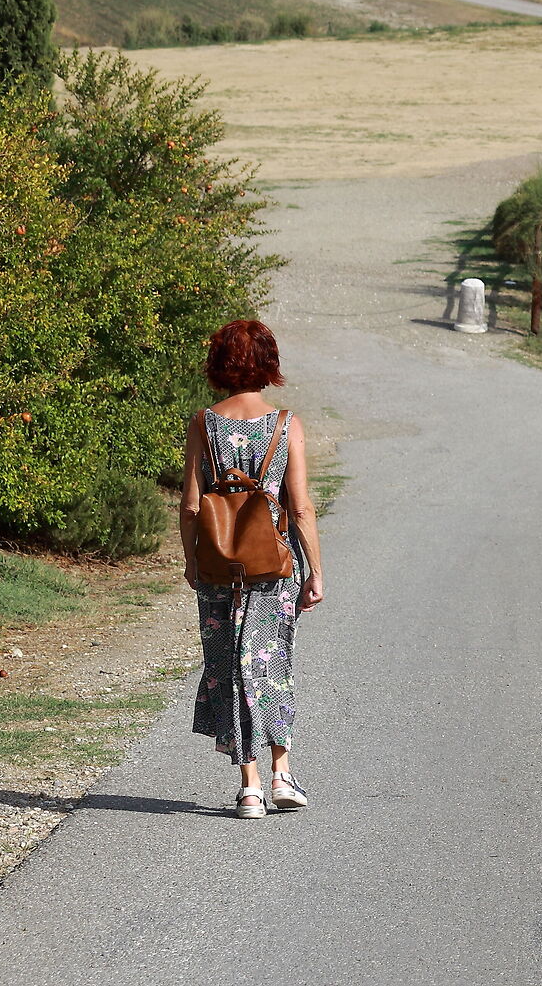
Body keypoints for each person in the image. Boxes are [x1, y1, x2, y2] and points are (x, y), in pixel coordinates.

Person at [182, 319, 326, 820]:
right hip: (273, 565)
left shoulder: (203, 423)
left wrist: (191, 562)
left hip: (219, 565)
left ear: (219, 365)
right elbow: (302, 507)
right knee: (270, 663)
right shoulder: (286, 424)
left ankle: (249, 788)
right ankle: (283, 773)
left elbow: (191, 505)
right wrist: (315, 572)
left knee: (227, 667)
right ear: (268, 364)